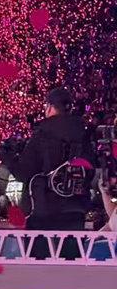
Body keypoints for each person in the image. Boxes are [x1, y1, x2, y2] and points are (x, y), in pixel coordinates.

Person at [10, 87, 96, 253]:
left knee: (40, 261)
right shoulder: (83, 135)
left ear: (50, 107)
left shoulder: (42, 134)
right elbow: (90, 170)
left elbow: (23, 173)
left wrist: (9, 158)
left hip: (43, 209)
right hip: (75, 208)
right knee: (71, 261)